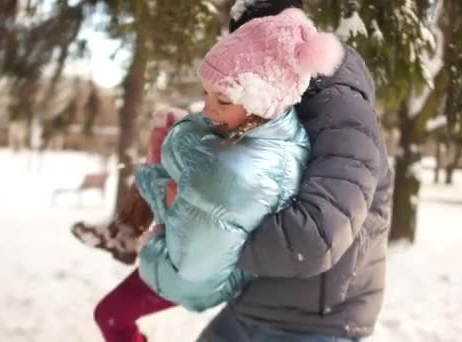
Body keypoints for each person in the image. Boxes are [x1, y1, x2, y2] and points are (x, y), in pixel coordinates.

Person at [93, 7, 345, 342]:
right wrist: (169, 169)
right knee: (112, 314)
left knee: (111, 315)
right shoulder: (254, 130)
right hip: (198, 255)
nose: (208, 109)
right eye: (206, 95)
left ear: (262, 100)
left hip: (192, 274)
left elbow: (192, 273)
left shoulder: (241, 172)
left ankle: (125, 233)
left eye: (222, 100)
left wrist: (164, 203)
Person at [195, 1, 394, 341]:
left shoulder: (341, 109)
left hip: (315, 322)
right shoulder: (274, 106)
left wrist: (207, 239)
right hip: (257, 302)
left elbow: (314, 237)